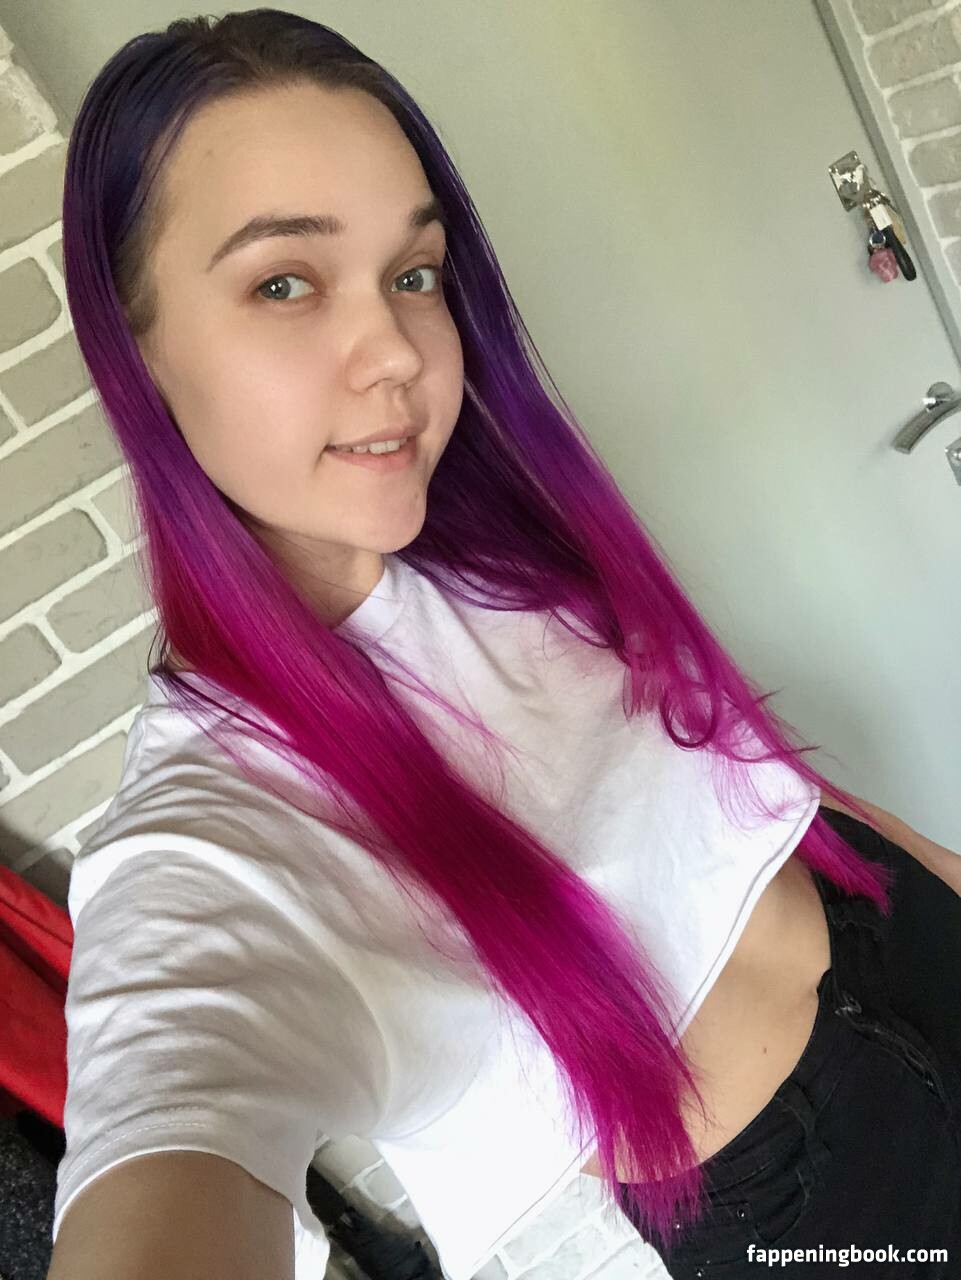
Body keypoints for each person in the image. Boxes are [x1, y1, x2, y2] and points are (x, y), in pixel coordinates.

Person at [46, 11, 961, 1280]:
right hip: (829, 1198)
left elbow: (741, 773)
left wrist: (936, 870)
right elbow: (170, 1127)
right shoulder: (204, 838)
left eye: (413, 274)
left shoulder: (491, 541)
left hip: (903, 924)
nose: (396, 352)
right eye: (284, 283)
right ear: (136, 343)